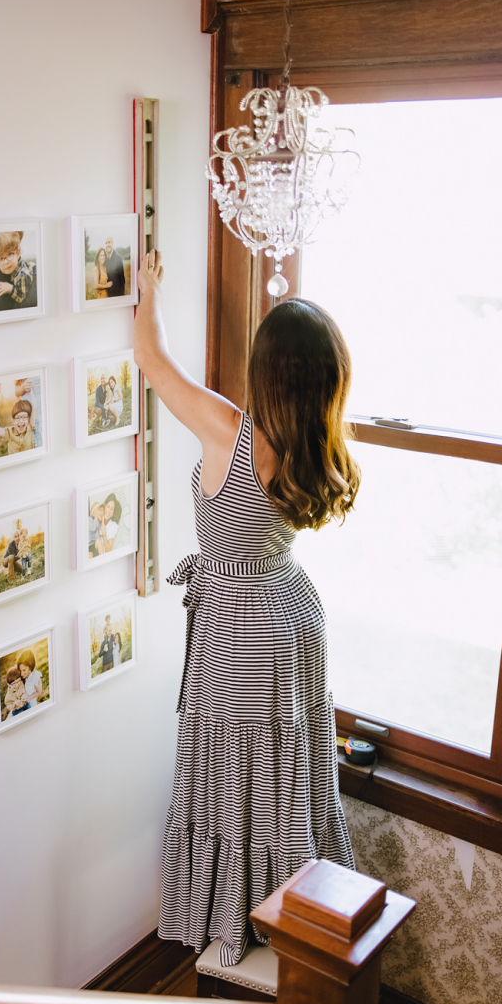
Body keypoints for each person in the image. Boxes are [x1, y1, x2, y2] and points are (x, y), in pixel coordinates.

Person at [134, 248, 359, 967]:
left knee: (232, 771)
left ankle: (232, 919)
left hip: (235, 621)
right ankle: (290, 909)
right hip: (290, 612)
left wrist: (147, 289)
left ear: (264, 374)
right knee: (283, 765)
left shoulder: (229, 429)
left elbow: (152, 360)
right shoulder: (316, 441)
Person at [0, 231, 36, 313]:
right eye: (1, 258)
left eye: (9, 254)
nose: (6, 261)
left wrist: (10, 288)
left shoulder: (22, 274)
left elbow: (21, 297)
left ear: (18, 253)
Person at [15, 377, 42, 448]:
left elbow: (35, 408)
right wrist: (23, 387)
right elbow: (16, 392)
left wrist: (30, 391)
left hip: (40, 410)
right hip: (26, 411)